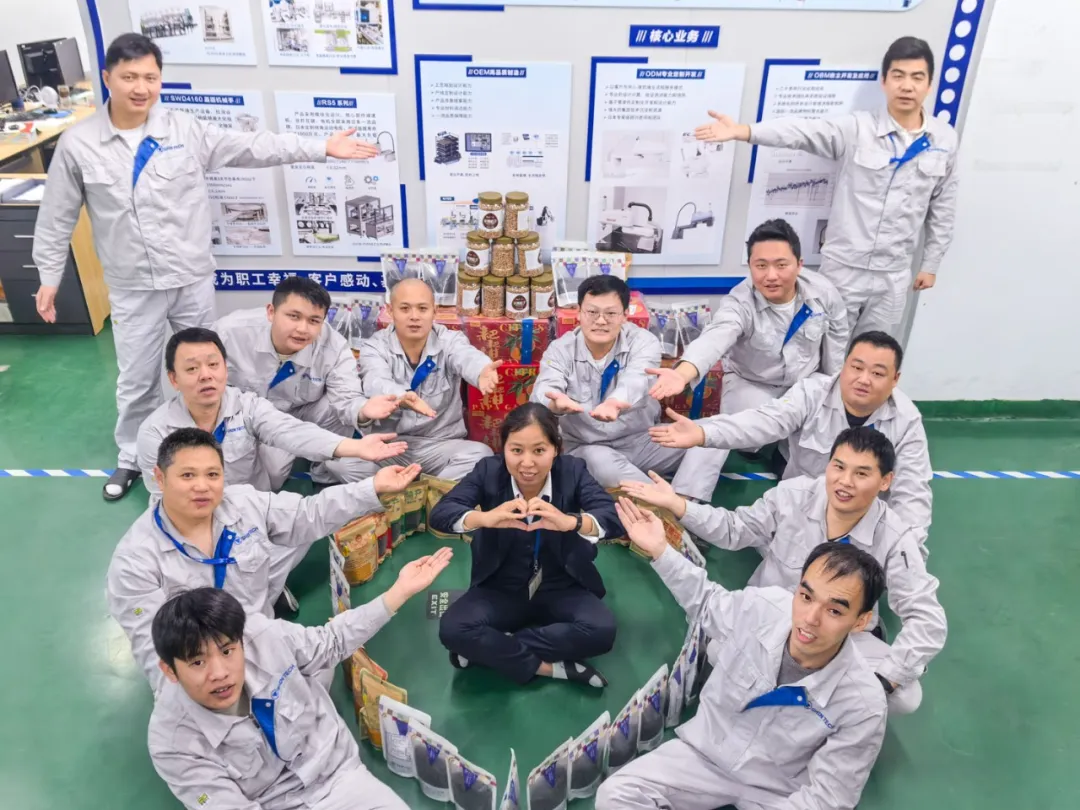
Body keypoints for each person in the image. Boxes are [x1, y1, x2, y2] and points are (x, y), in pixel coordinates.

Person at [32, 33, 380, 502]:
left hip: (191, 277)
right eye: (130, 77)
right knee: (136, 378)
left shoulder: (184, 131)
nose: (141, 87)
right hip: (132, 284)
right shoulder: (79, 144)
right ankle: (134, 455)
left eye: (151, 77)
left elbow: (252, 147)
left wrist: (320, 147)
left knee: (205, 369)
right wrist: (49, 275)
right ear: (108, 79)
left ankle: (205, 447)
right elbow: (57, 213)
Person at [622, 426, 946, 715]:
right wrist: (678, 504)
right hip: (773, 622)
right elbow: (735, 530)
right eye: (838, 466)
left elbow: (928, 619)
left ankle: (817, 712)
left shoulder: (895, 536)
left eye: (862, 473)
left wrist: (883, 680)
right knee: (720, 653)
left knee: (905, 696)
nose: (845, 482)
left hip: (841, 637)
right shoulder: (794, 495)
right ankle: (801, 704)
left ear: (885, 481)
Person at [599, 500, 889, 810]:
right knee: (615, 795)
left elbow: (827, 798)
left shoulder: (864, 704)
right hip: (705, 756)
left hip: (778, 790)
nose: (810, 618)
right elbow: (706, 603)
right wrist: (660, 550)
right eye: (806, 596)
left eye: (834, 610)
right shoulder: (764, 608)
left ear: (861, 621)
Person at [108, 427, 421, 691]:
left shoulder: (242, 504)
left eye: (212, 474)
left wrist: (372, 487)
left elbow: (308, 514)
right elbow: (155, 654)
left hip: (262, 638)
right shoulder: (135, 563)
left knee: (320, 673)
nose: (202, 486)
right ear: (160, 478)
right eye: (187, 475)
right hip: (206, 671)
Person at [694, 36, 959, 338]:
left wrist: (930, 264)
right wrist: (744, 131)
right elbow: (801, 131)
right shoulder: (857, 129)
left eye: (917, 77)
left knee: (875, 352)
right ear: (884, 81)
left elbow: (943, 207)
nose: (907, 86)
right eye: (898, 76)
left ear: (929, 84)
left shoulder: (944, 140)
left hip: (893, 274)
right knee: (825, 347)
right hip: (843, 268)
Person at [148, 559, 451, 810]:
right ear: (169, 670)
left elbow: (332, 641)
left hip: (339, 775)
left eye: (227, 651)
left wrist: (398, 592)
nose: (219, 673)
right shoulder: (172, 743)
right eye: (197, 662)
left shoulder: (261, 636)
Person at [651, 331, 933, 549]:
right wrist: (704, 433)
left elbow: (912, 495)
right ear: (844, 366)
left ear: (895, 379)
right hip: (801, 510)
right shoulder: (812, 393)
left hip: (859, 520)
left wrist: (905, 553)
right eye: (856, 367)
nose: (864, 379)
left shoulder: (906, 419)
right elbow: (763, 422)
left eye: (877, 373)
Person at [429, 403, 623, 688]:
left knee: (602, 630)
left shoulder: (573, 471)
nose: (527, 463)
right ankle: (551, 669)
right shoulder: (487, 471)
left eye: (539, 450)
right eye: (516, 450)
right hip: (500, 588)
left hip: (563, 586)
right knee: (452, 629)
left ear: (556, 449)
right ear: (503, 449)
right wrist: (485, 518)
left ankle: (493, 649)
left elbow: (613, 518)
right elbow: (441, 514)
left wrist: (571, 522)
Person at [648, 219, 848, 473]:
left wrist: (832, 392)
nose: (771, 275)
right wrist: (682, 373)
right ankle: (687, 494)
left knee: (821, 441)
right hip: (753, 382)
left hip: (806, 382)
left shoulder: (823, 292)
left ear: (799, 265)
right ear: (750, 265)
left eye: (781, 265)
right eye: (761, 266)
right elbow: (715, 337)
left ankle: (787, 457)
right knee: (723, 433)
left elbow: (837, 341)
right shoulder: (740, 301)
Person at [137, 327, 408, 498]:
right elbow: (163, 501)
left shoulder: (247, 405)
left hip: (255, 509)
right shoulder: (155, 432)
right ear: (174, 379)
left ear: (225, 369)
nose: (205, 375)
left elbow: (292, 432)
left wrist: (356, 447)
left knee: (307, 527)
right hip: (199, 517)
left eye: (213, 365)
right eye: (192, 369)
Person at [531, 274, 726, 502]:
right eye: (592, 312)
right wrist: (555, 404)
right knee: (600, 464)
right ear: (579, 313)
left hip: (643, 440)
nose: (600, 321)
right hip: (589, 447)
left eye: (611, 313)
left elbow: (637, 379)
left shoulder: (644, 341)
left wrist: (615, 403)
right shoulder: (560, 349)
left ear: (625, 315)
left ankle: (684, 502)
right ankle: (664, 505)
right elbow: (545, 387)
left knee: (716, 432)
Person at [216, 276, 400, 488]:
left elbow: (347, 397)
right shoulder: (229, 332)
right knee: (269, 476)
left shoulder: (334, 347)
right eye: (294, 317)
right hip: (245, 413)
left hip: (299, 411)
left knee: (333, 408)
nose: (303, 329)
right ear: (271, 312)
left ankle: (325, 465)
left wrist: (363, 410)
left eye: (314, 321)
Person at [354, 278, 502, 480]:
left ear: (435, 311)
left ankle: (408, 489)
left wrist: (480, 370)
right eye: (405, 309)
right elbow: (376, 380)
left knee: (480, 455)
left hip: (440, 445)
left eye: (422, 309)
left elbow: (466, 356)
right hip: (390, 447)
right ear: (390, 311)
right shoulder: (374, 347)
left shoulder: (450, 340)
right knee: (342, 464)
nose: (414, 316)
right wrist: (401, 396)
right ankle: (434, 488)